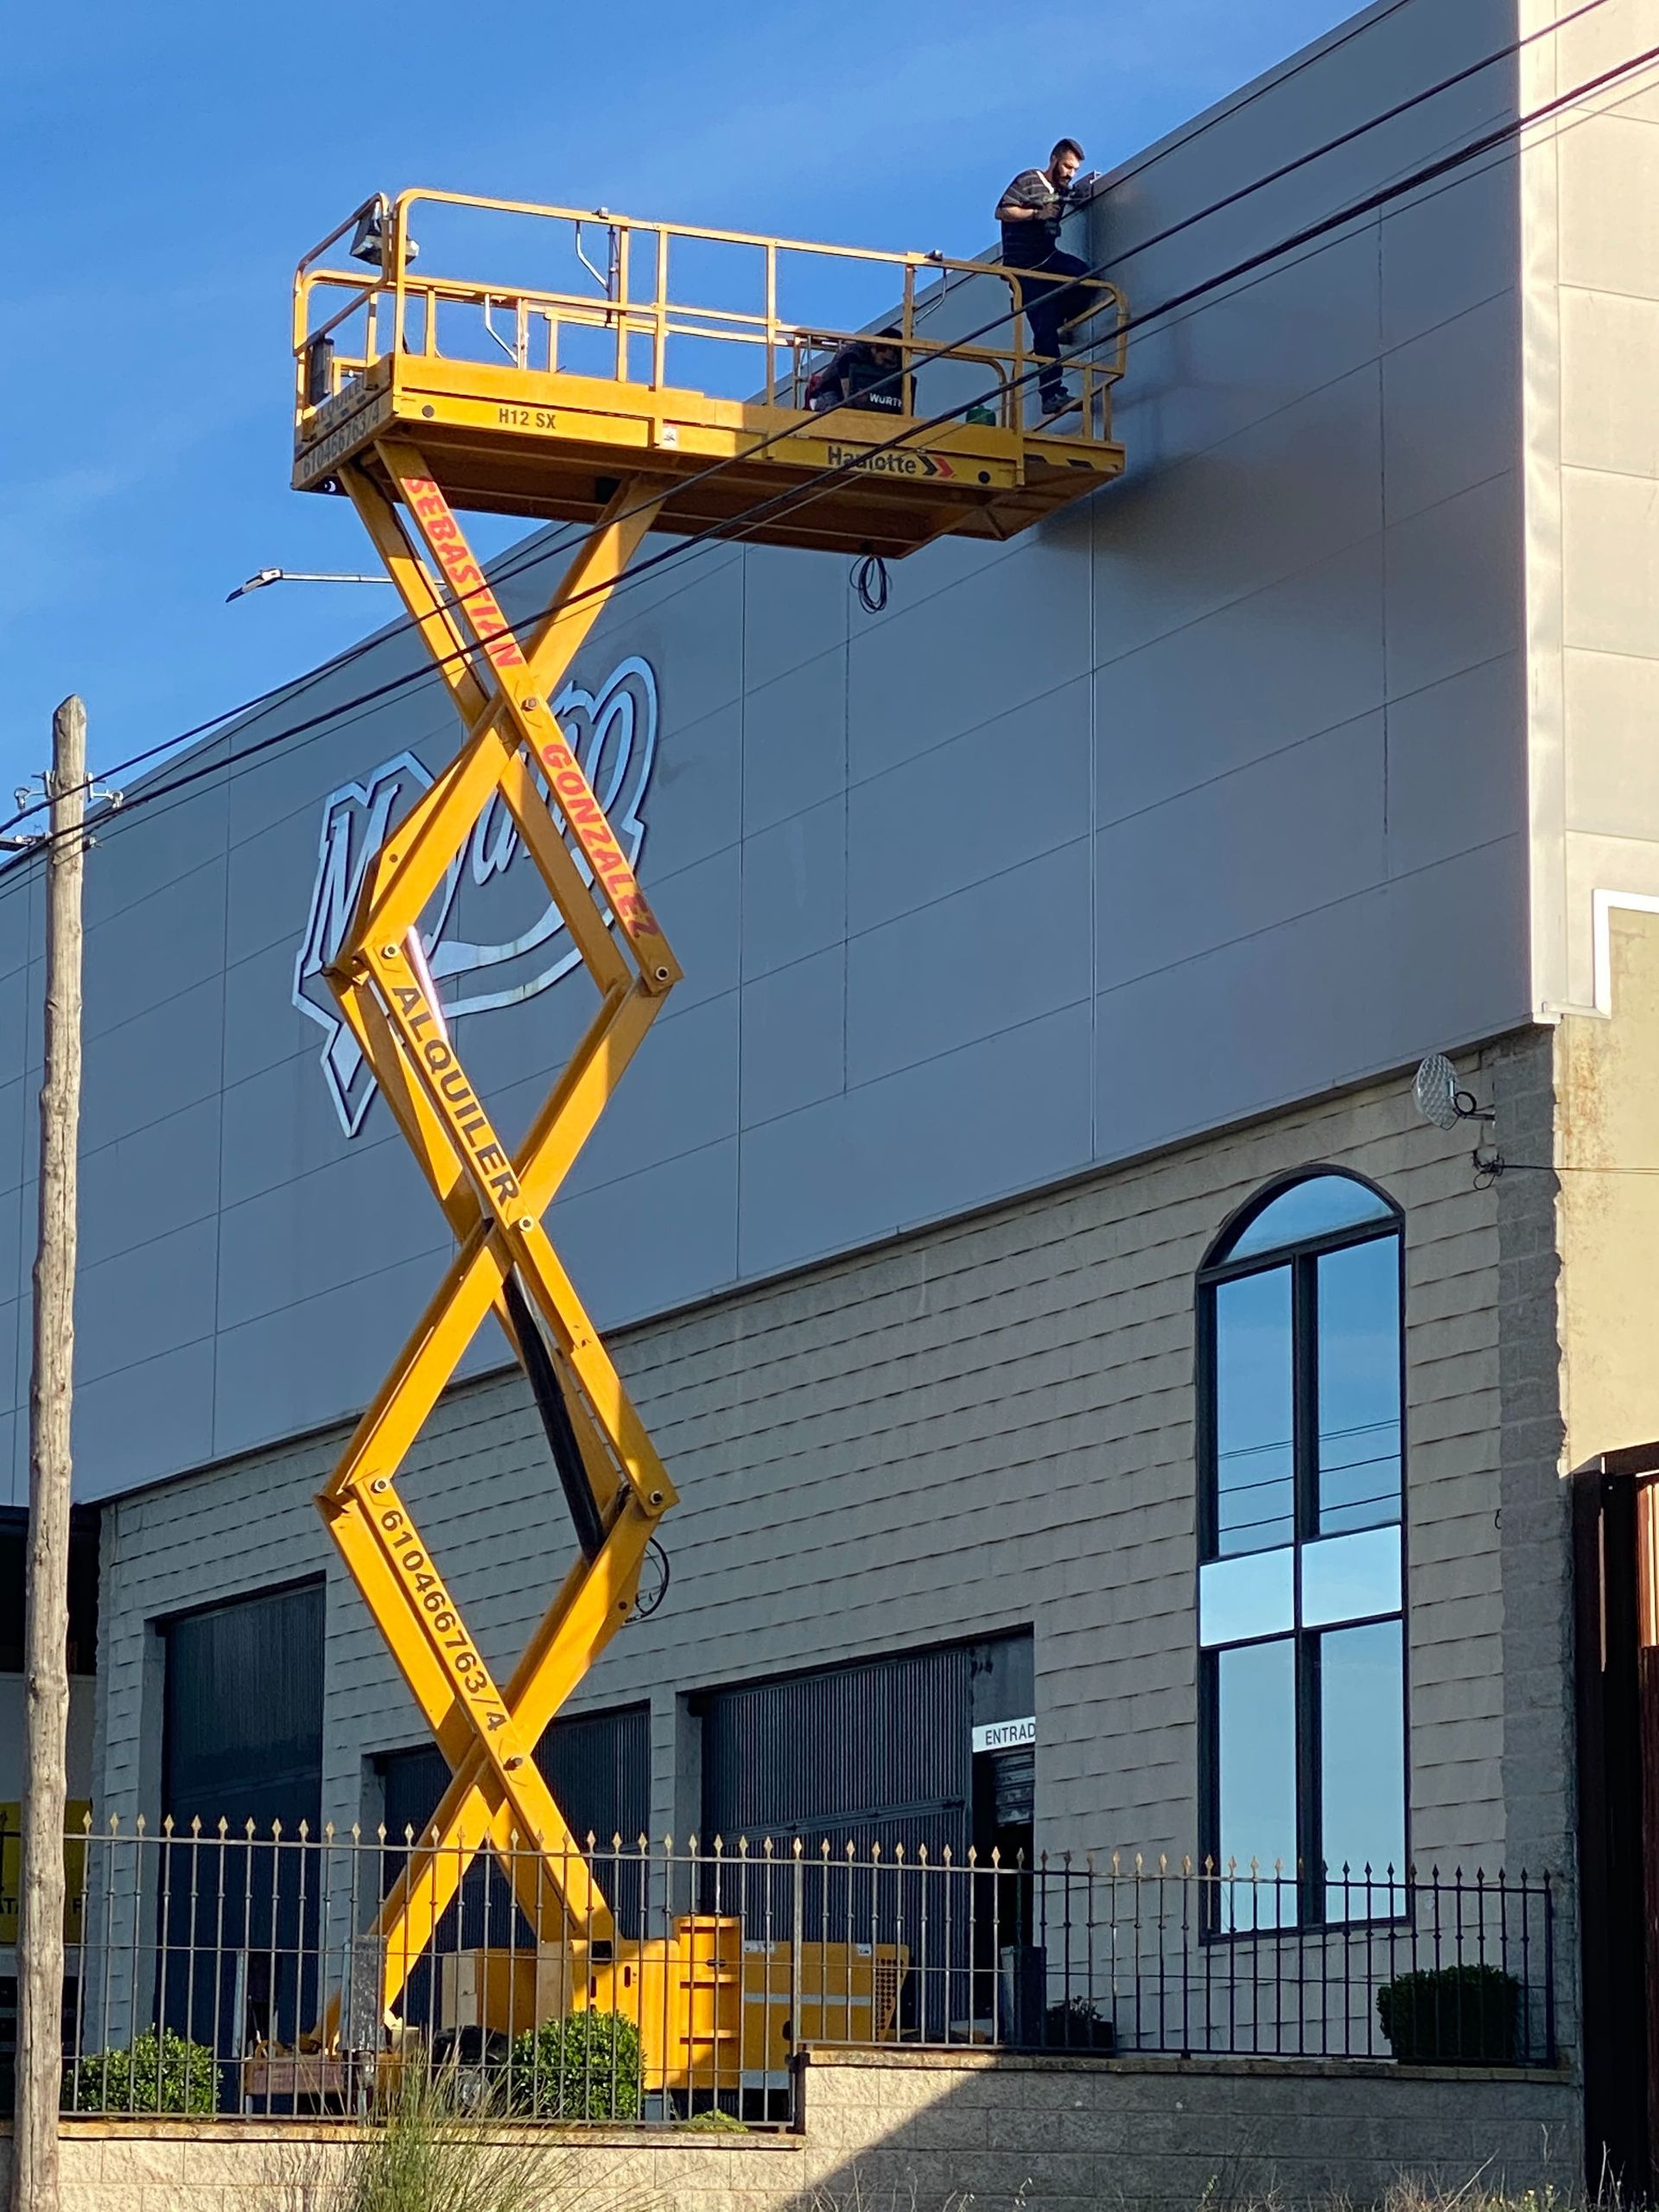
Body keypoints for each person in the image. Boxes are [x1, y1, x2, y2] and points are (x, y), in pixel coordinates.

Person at [995, 138, 1089, 416]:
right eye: (1067, 167)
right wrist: (1036, 214)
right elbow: (1002, 210)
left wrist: (1082, 192)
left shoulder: (1062, 191)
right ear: (1054, 160)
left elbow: (1074, 195)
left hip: (1048, 259)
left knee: (1085, 277)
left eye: (1075, 170)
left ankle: (1059, 319)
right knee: (1044, 331)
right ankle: (1051, 394)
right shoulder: (1029, 180)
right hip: (1025, 270)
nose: (1071, 174)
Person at [805, 327, 906, 416]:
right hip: (829, 395)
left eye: (891, 365)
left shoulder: (892, 363)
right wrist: (850, 402)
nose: (885, 366)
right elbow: (845, 366)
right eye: (885, 361)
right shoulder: (855, 352)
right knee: (838, 410)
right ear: (875, 348)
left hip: (862, 402)